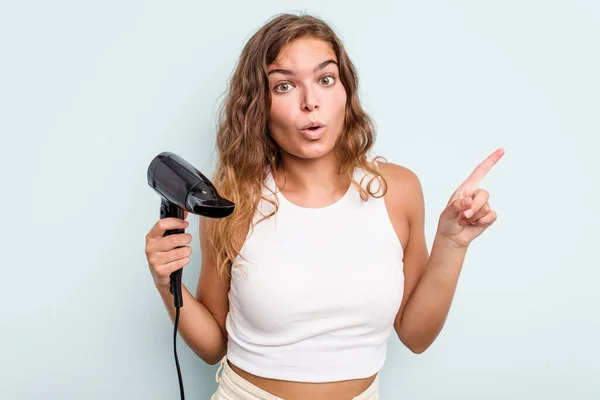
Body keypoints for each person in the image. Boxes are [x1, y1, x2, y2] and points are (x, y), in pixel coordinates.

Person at [144, 12, 504, 400]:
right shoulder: (235, 201)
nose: (310, 102)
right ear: (258, 106)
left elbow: (416, 336)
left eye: (325, 79)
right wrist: (166, 284)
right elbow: (214, 345)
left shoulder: (397, 190)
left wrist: (452, 243)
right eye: (284, 86)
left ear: (346, 91)